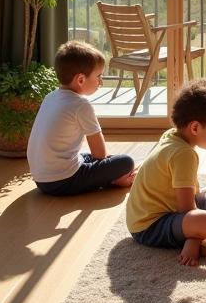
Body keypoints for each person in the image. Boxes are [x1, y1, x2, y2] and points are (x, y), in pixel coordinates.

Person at [126, 78, 206, 266]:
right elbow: (187, 210)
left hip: (160, 211)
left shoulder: (172, 135)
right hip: (150, 226)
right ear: (195, 127)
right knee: (204, 221)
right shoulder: (184, 153)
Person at [27, 40, 137, 196]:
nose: (101, 82)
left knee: (85, 156)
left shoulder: (50, 97)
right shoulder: (81, 105)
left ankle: (112, 177)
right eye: (98, 76)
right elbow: (100, 155)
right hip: (63, 181)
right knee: (126, 162)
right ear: (80, 80)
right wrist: (111, 172)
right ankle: (114, 180)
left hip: (41, 179)